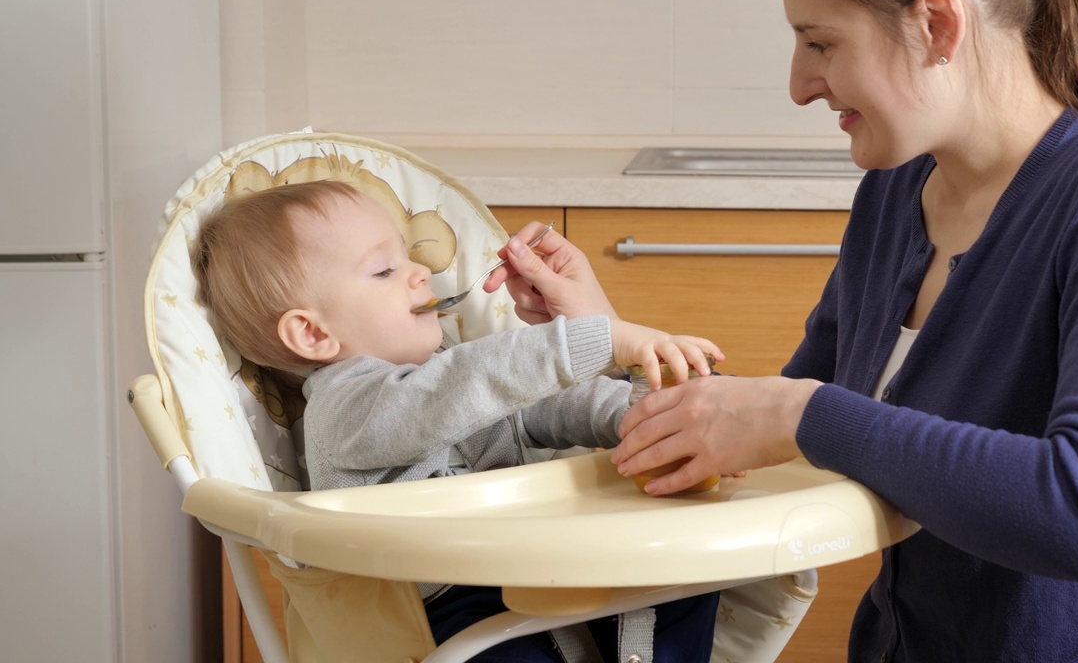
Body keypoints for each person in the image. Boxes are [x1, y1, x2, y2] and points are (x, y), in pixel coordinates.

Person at [492, 0, 1078, 661]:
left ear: (937, 22)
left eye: (820, 42)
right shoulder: (893, 196)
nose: (798, 84)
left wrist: (800, 414)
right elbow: (767, 439)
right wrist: (605, 333)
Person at [191, 179, 724, 663]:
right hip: (443, 615)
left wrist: (658, 418)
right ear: (312, 335)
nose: (420, 272)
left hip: (535, 576)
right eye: (384, 270)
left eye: (407, 257)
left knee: (687, 574)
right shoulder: (344, 409)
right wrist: (598, 337)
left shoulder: (452, 371)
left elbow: (552, 406)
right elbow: (459, 389)